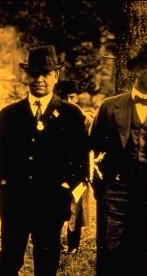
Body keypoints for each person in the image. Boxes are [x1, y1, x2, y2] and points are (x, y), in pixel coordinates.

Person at [0, 45, 89, 276]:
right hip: (15, 204)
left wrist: (65, 189)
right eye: (33, 73)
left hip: (51, 206)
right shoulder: (10, 114)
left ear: (56, 75)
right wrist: (4, 186)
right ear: (27, 77)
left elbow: (82, 162)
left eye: (45, 73)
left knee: (46, 263)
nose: (39, 79)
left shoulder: (70, 114)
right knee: (9, 260)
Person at [90, 43, 147, 276]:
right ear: (138, 70)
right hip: (116, 191)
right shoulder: (110, 106)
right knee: (111, 250)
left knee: (145, 253)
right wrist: (103, 186)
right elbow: (92, 152)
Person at [55, 80, 93, 254]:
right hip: (59, 170)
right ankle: (53, 240)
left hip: (78, 170)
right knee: (56, 206)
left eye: (72, 97)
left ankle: (73, 245)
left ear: (77, 97)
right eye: (65, 97)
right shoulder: (55, 114)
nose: (69, 100)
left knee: (76, 208)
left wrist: (85, 173)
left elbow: (87, 146)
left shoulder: (82, 116)